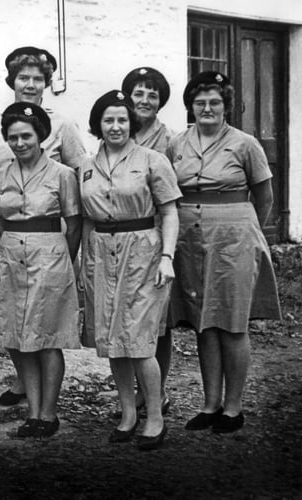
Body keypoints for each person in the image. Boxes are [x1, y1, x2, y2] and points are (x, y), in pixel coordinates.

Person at [168, 71, 281, 433]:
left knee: (231, 323)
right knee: (204, 322)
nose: (207, 108)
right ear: (191, 106)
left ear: (226, 105)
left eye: (214, 102)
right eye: (200, 102)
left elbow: (264, 197)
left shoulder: (246, 144)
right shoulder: (177, 143)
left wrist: (245, 233)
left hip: (233, 237)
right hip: (188, 239)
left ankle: (233, 408)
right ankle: (209, 404)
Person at [0, 46, 87, 405]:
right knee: (5, 309)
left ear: (47, 84)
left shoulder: (61, 125)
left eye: (38, 78)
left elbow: (78, 172)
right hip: (3, 226)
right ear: (12, 81)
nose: (30, 84)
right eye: (23, 77)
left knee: (41, 314)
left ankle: (44, 401)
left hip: (47, 228)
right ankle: (24, 382)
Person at [80, 90, 180, 450]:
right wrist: (83, 263)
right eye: (109, 120)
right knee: (112, 341)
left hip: (143, 253)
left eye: (122, 119)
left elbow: (169, 212)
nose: (116, 126)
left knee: (138, 342)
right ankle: (127, 413)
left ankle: (154, 415)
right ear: (98, 125)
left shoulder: (153, 160)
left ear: (131, 123)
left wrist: (167, 257)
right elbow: (87, 219)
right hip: (101, 254)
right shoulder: (86, 167)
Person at [121, 66, 174, 414]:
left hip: (156, 238)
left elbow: (171, 200)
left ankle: (157, 392)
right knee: (126, 315)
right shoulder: (118, 130)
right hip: (123, 243)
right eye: (138, 93)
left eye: (152, 94)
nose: (144, 100)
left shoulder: (169, 141)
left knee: (157, 321)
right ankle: (133, 393)